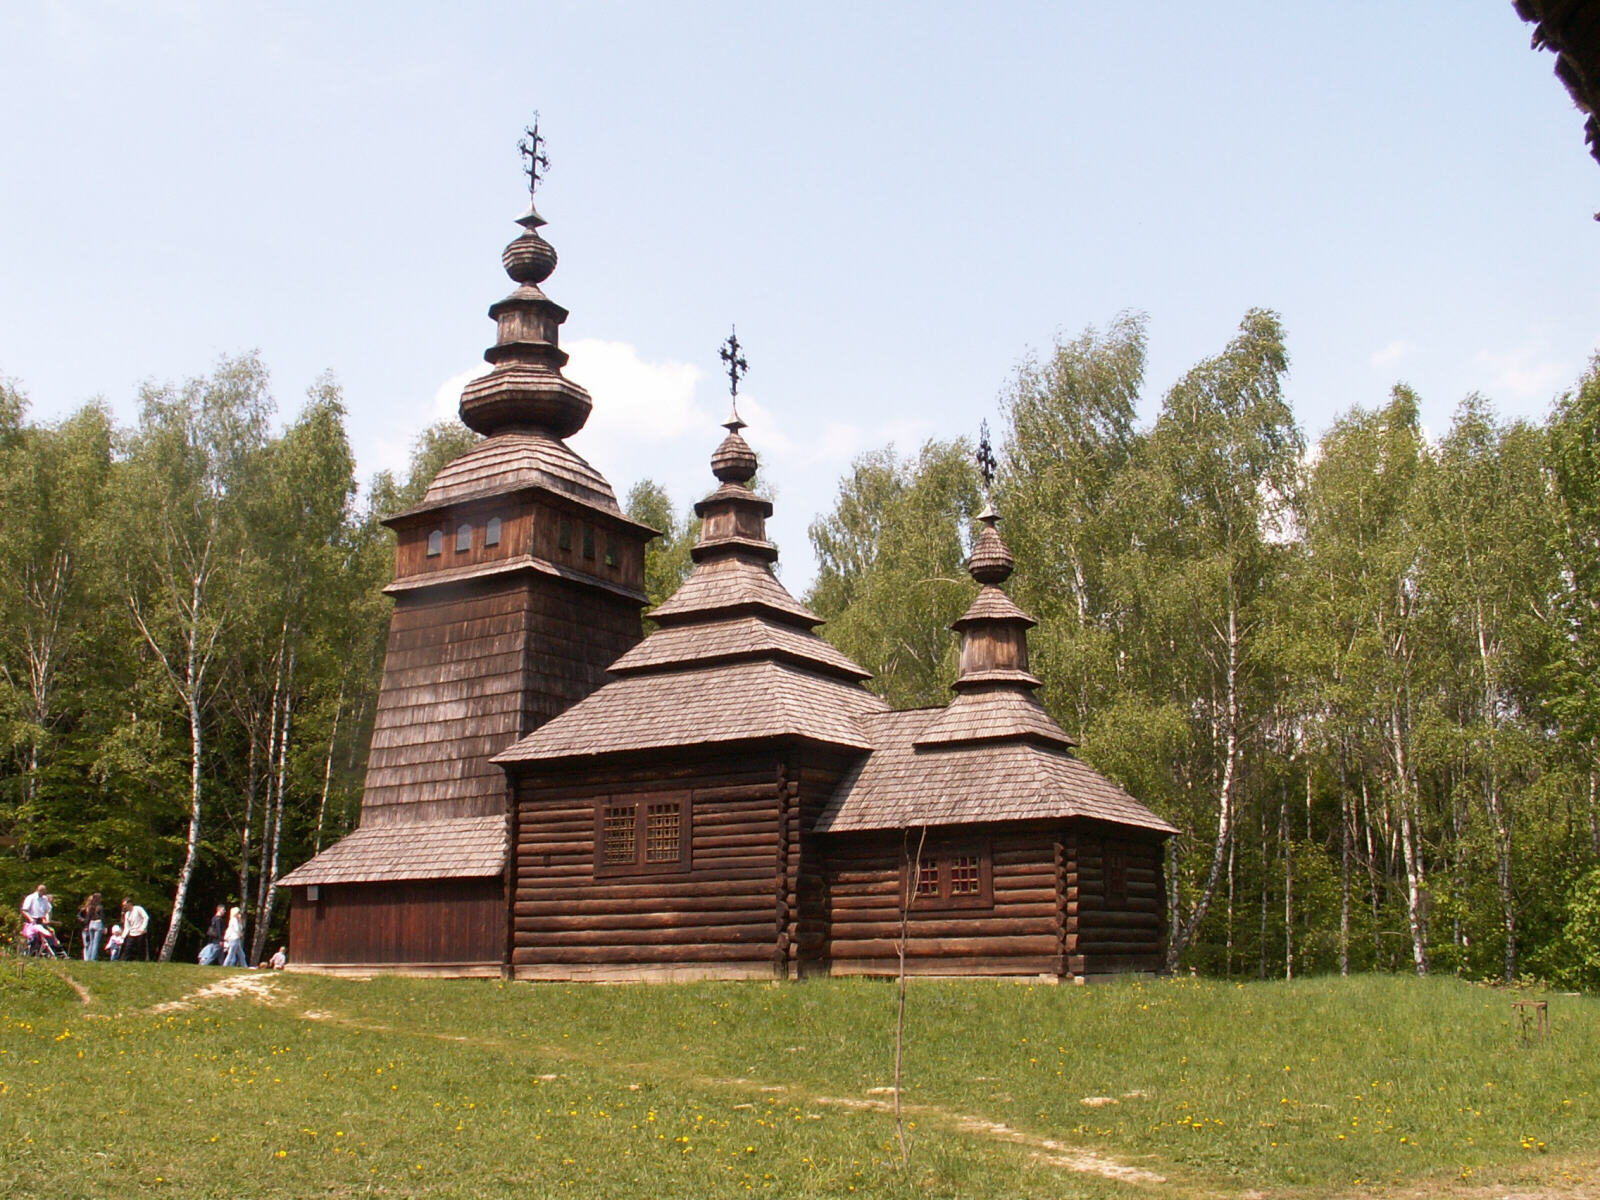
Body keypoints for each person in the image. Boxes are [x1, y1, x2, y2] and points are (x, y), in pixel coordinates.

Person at [119, 897, 149, 961]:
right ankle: (124, 961)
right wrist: (123, 937)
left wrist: (143, 927)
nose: (124, 907)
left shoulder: (138, 909)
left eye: (125, 905)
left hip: (140, 933)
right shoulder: (127, 914)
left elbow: (146, 917)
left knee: (141, 949)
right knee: (128, 948)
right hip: (132, 933)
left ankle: (142, 961)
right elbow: (127, 927)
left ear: (129, 904)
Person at [78, 892, 105, 961]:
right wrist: (104, 926)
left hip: (91, 924)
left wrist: (85, 924)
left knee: (91, 942)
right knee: (96, 942)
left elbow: (88, 918)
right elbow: (102, 917)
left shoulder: (91, 907)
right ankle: (93, 959)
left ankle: (88, 957)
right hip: (98, 923)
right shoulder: (100, 907)